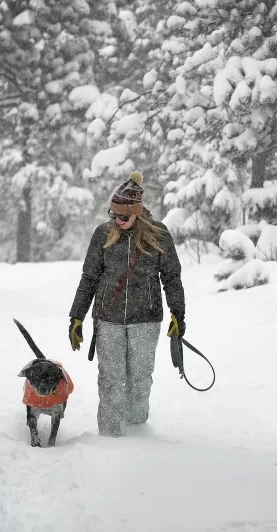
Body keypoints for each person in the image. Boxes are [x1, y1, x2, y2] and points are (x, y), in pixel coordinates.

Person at [68, 170, 185, 436]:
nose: (117, 221)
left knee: (140, 380)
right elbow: (89, 278)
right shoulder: (102, 234)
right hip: (108, 319)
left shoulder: (159, 235)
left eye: (124, 216)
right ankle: (109, 436)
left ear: (138, 212)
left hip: (146, 319)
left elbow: (172, 277)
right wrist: (76, 317)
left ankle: (136, 434)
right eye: (113, 215)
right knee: (110, 379)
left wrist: (178, 313)